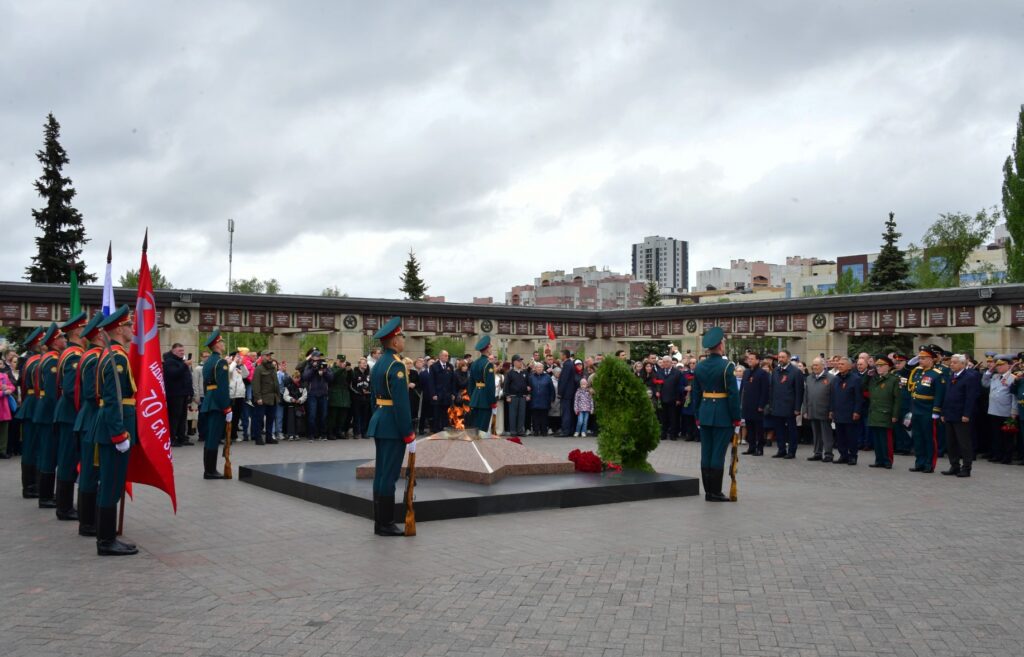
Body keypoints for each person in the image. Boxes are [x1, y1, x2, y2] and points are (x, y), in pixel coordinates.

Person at [90, 305, 139, 556]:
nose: (132, 329)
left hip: (110, 429)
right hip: (114, 431)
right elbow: (112, 400)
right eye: (129, 325)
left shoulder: (112, 354)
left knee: (110, 484)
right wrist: (120, 434)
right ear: (119, 328)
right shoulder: (117, 357)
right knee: (111, 485)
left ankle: (106, 537)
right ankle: (106, 541)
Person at [366, 317, 415, 537]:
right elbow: (402, 403)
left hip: (380, 420)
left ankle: (380, 521)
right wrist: (409, 433)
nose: (403, 339)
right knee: (389, 475)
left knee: (381, 473)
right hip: (393, 426)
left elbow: (373, 398)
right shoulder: (396, 365)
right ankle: (385, 523)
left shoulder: (378, 364)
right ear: (394, 341)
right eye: (401, 336)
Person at [691, 327, 741, 502]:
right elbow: (733, 395)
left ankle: (708, 492)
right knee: (718, 454)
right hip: (722, 415)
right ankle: (715, 492)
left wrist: (697, 415)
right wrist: (736, 418)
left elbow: (695, 393)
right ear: (720, 346)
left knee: (706, 453)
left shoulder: (700, 366)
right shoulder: (727, 366)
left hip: (704, 413)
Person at [72, 313, 106, 537]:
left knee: (89, 472)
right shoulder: (94, 358)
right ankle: (88, 522)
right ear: (99, 334)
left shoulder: (89, 355)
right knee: (91, 472)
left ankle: (87, 520)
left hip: (87, 418)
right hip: (93, 418)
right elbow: (93, 393)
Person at [53, 312, 87, 520]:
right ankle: (64, 508)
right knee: (67, 460)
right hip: (70, 415)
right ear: (77, 331)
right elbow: (71, 389)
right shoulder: (74, 355)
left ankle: (63, 505)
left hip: (67, 414)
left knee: (67, 459)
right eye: (85, 329)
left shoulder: (69, 352)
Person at [34, 323, 67, 509]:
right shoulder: (53, 360)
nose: (64, 340)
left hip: (45, 413)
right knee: (48, 454)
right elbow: (52, 394)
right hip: (48, 414)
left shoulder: (49, 358)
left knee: (48, 453)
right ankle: (45, 496)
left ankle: (45, 493)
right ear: (55, 341)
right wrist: (56, 415)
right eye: (62, 337)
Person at [15, 327, 45, 498]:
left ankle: (31, 485)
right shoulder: (36, 361)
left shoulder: (28, 360)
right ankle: (32, 486)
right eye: (41, 341)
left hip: (30, 404)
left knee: (31, 447)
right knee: (33, 447)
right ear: (35, 344)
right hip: (34, 404)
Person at [907, 346, 947, 473]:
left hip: (928, 410)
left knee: (929, 438)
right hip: (916, 409)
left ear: (931, 359)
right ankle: (919, 462)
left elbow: (939, 395)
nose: (920, 361)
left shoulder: (937, 374)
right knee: (917, 437)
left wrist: (936, 411)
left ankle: (929, 464)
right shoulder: (918, 371)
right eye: (920, 358)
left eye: (923, 358)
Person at [199, 330, 232, 479]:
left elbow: (208, 385)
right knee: (213, 437)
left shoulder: (208, 362)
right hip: (217, 403)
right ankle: (210, 471)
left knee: (210, 436)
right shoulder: (221, 362)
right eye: (222, 342)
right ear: (217, 344)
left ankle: (209, 469)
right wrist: (227, 407)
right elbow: (222, 387)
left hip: (209, 401)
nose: (224, 344)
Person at [942, 353, 981, 477]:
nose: (951, 364)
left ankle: (966, 467)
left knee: (964, 443)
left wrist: (966, 414)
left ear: (963, 364)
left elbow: (970, 397)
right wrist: (943, 412)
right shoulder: (951, 375)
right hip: (949, 414)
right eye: (951, 362)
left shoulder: (969, 377)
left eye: (954, 362)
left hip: (961, 415)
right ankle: (954, 466)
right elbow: (947, 395)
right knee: (951, 442)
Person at [865, 355, 901, 469]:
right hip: (874, 412)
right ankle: (879, 459)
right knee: (876, 439)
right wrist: (867, 376)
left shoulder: (894, 379)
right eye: (877, 366)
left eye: (881, 366)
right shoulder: (874, 379)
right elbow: (864, 389)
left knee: (886, 439)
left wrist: (895, 414)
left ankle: (887, 460)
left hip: (886, 413)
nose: (878, 368)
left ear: (888, 367)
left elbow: (897, 399)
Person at [768, 349, 803, 459]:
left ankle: (792, 451)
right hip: (777, 406)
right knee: (779, 430)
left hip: (790, 407)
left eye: (783, 357)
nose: (781, 359)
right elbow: (772, 389)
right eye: (779, 357)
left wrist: (797, 407)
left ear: (788, 358)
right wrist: (771, 404)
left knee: (791, 430)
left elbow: (799, 391)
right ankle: (781, 449)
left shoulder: (796, 372)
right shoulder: (775, 371)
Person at [829, 356, 864, 466]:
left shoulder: (855, 379)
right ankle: (843, 455)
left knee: (851, 436)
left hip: (850, 414)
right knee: (840, 437)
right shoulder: (836, 379)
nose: (839, 366)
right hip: (838, 413)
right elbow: (832, 396)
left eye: (842, 364)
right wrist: (831, 410)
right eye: (838, 364)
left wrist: (857, 411)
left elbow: (859, 397)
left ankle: (853, 456)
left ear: (849, 366)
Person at [981, 354, 1015, 464]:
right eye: (998, 365)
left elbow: (1014, 396)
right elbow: (985, 383)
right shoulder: (995, 376)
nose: (998, 367)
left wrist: (1013, 411)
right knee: (996, 435)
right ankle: (997, 454)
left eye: (1001, 365)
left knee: (1007, 436)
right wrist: (989, 371)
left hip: (1005, 411)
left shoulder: (1012, 377)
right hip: (993, 410)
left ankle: (1007, 457)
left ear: (1008, 366)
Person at [802, 356, 834, 462]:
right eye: (813, 365)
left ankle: (828, 454)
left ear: (823, 366)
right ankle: (817, 453)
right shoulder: (809, 378)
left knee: (826, 434)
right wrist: (805, 410)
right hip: (812, 410)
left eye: (816, 365)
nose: (814, 367)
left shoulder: (831, 378)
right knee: (816, 434)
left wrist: (831, 410)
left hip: (825, 411)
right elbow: (806, 395)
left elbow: (833, 396)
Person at [163, 343, 194, 448]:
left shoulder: (181, 362)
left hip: (184, 393)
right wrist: (185, 365)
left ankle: (182, 437)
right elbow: (173, 374)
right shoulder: (169, 362)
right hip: (174, 394)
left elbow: (187, 378)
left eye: (183, 351)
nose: (182, 353)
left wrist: (190, 392)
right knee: (174, 417)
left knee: (183, 417)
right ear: (173, 351)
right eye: (180, 351)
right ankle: (172, 438)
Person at [742, 352, 770, 456]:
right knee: (749, 428)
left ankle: (760, 448)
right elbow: (743, 390)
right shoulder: (746, 372)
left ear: (758, 360)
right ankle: (751, 447)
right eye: (748, 359)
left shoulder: (762, 373)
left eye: (752, 359)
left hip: (757, 406)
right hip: (747, 405)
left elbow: (765, 391)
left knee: (759, 429)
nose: (749, 360)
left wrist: (761, 405)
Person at [467, 336, 497, 434]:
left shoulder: (474, 363)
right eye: (490, 347)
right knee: (482, 430)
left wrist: (472, 397)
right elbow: (490, 385)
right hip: (485, 400)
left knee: (475, 428)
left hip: (475, 398)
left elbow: (471, 383)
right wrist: (492, 401)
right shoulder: (488, 364)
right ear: (487, 349)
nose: (491, 348)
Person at [302, 350, 333, 440]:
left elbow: (331, 378)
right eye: (317, 356)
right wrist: (313, 368)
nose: (319, 358)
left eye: (319, 356)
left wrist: (324, 372)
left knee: (324, 415)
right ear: (313, 357)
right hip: (313, 393)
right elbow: (305, 377)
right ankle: (311, 434)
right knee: (312, 415)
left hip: (323, 393)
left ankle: (323, 434)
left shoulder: (324, 365)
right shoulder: (309, 365)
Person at [251, 351, 281, 445]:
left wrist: (277, 396)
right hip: (262, 398)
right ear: (262, 357)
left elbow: (276, 383)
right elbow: (256, 384)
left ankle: (269, 437)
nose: (269, 357)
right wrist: (258, 397)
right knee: (259, 419)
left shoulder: (272, 368)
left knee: (270, 418)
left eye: (270, 355)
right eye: (267, 355)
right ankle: (258, 438)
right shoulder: (259, 369)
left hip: (273, 398)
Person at [654, 355, 683, 440]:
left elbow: (679, 386)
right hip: (662, 398)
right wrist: (657, 391)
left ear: (671, 363)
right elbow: (656, 384)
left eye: (667, 362)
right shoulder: (659, 372)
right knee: (663, 417)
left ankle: (673, 435)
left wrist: (678, 399)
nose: (665, 363)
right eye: (663, 362)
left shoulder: (677, 372)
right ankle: (663, 434)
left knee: (673, 418)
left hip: (673, 399)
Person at [428, 350, 455, 433]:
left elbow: (452, 381)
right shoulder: (434, 366)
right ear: (440, 356)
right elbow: (431, 381)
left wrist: (453, 393)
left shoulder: (450, 366)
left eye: (447, 355)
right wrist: (433, 394)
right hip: (438, 394)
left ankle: (444, 428)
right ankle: (436, 429)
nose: (447, 357)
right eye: (445, 355)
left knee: (445, 413)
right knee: (437, 413)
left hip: (447, 394)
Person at [328, 355, 352, 439]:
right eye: (341, 361)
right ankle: (331, 432)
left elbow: (350, 380)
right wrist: (342, 369)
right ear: (337, 361)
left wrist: (350, 371)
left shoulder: (345, 370)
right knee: (333, 416)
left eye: (343, 362)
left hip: (344, 395)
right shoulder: (332, 368)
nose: (342, 363)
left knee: (342, 416)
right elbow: (333, 377)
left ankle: (339, 431)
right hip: (335, 394)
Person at [505, 355, 529, 437]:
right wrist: (507, 396)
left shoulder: (524, 372)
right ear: (514, 362)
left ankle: (520, 430)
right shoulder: (510, 373)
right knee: (513, 414)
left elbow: (528, 384)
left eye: (521, 361)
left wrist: (528, 394)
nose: (520, 362)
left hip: (522, 396)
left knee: (522, 414)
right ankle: (513, 431)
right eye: (519, 361)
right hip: (513, 396)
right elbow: (506, 385)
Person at [528, 362, 555, 435]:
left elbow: (551, 389)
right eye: (537, 367)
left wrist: (552, 398)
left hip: (545, 400)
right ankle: (536, 431)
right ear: (535, 368)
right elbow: (528, 388)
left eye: (541, 367)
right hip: (534, 400)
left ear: (543, 368)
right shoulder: (531, 377)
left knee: (544, 417)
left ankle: (544, 431)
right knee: (535, 417)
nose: (539, 368)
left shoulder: (548, 377)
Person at [557, 349, 578, 436]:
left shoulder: (567, 364)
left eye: (561, 355)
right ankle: (570, 430)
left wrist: (560, 392)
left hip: (566, 393)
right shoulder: (570, 364)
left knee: (566, 412)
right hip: (570, 392)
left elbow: (564, 380)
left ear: (564, 356)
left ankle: (565, 431)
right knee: (569, 412)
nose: (560, 356)